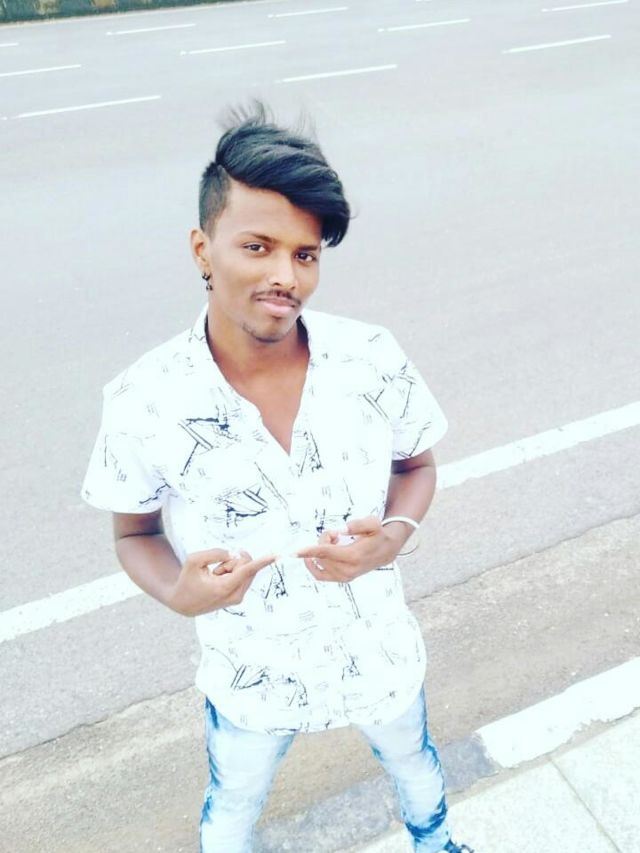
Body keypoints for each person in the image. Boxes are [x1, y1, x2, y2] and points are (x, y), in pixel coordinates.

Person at [82, 104, 473, 853]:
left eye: (305, 255)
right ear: (203, 249)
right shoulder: (144, 399)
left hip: (377, 651)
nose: (284, 277)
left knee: (417, 764)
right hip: (250, 672)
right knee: (233, 805)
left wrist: (392, 537)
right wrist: (177, 592)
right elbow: (133, 532)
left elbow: (417, 464)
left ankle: (438, 842)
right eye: (257, 247)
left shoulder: (370, 357)